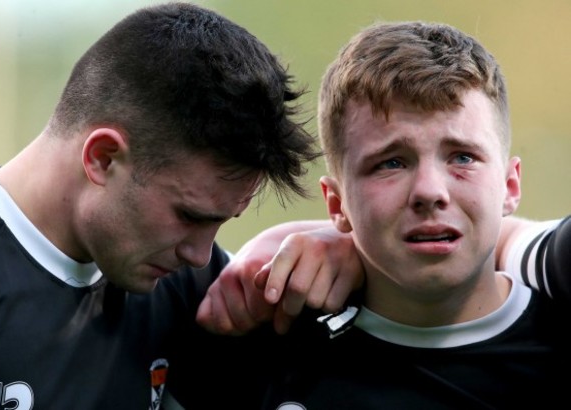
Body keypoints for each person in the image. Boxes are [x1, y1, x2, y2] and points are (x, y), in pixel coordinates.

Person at [0, 3, 336, 409]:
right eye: (189, 216)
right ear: (103, 157)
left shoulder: (187, 290)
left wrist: (339, 248)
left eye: (222, 222)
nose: (199, 256)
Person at [210, 20, 569, 409]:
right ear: (336, 205)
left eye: (463, 157)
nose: (430, 191)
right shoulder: (258, 350)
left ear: (510, 185)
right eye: (391, 163)